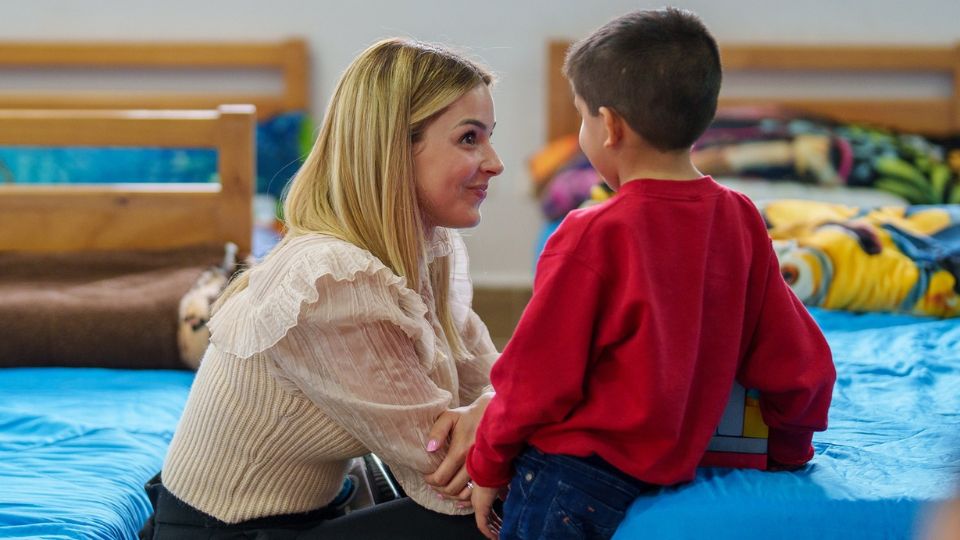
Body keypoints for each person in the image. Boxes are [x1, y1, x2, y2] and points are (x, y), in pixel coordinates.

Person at [467, 8, 837, 540]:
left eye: (582, 118)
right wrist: (789, 449)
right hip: (675, 472)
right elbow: (801, 362)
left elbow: (534, 379)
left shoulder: (591, 233)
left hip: (569, 481)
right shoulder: (739, 219)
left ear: (610, 126)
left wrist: (488, 463)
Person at [139, 37, 504, 539]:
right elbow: (446, 477)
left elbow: (491, 380)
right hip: (227, 534)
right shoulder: (331, 279)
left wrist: (494, 405)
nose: (494, 161)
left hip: (313, 516)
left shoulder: (427, 253)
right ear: (395, 148)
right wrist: (505, 412)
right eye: (469, 139)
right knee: (505, 515)